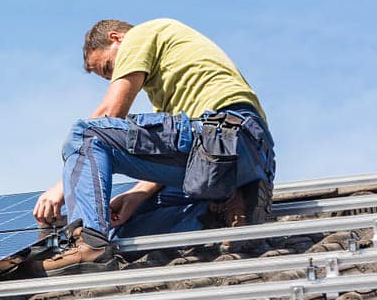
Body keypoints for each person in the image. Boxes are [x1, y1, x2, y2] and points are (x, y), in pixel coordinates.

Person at [29, 18, 276, 276]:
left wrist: (62, 187)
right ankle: (223, 208)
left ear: (116, 38)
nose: (114, 77)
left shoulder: (143, 34)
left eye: (109, 67)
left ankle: (87, 242)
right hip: (241, 155)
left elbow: (110, 113)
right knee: (123, 229)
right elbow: (169, 151)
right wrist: (138, 194)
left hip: (226, 132)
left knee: (85, 133)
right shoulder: (173, 91)